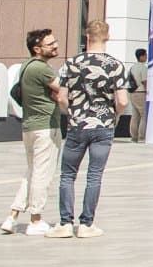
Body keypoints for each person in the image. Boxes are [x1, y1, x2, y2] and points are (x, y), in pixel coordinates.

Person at [45, 20, 127, 238]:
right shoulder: (115, 65)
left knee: (67, 175)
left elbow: (62, 97)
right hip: (103, 126)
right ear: (108, 37)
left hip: (77, 125)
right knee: (94, 175)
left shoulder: (72, 63)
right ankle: (86, 224)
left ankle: (64, 223)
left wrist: (71, 112)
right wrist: (114, 115)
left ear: (87, 37)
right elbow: (123, 100)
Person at [0, 27, 62, 235]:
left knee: (31, 173)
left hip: (29, 127)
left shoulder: (26, 67)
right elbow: (62, 89)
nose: (55, 46)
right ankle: (36, 220)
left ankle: (13, 216)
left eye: (55, 42)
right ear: (37, 49)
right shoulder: (41, 69)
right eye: (50, 44)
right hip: (45, 127)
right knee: (42, 175)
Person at [125, 48, 149, 142]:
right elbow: (144, 81)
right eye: (145, 55)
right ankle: (141, 136)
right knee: (144, 115)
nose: (146, 57)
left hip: (132, 92)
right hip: (140, 92)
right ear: (142, 56)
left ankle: (134, 136)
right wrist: (148, 91)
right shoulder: (143, 67)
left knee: (135, 115)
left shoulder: (132, 67)